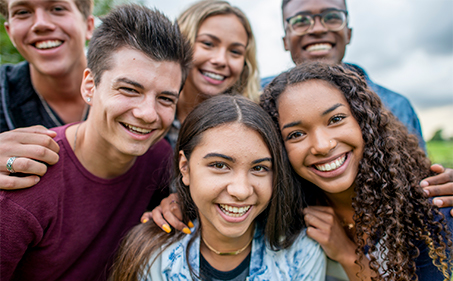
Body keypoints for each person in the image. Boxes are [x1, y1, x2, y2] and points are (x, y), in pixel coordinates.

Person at [0, 4, 192, 280]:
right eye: (129, 89)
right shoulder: (26, 182)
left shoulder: (158, 158)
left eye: (165, 98)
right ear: (90, 86)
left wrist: (173, 205)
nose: (148, 114)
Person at [260, 62, 452, 280]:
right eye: (296, 134)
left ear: (364, 121)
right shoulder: (284, 210)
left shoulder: (427, 210)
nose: (322, 145)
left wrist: (346, 253)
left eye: (336, 119)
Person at [111, 94, 326, 281]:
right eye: (220, 166)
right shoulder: (154, 255)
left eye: (259, 168)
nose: (241, 191)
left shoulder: (301, 255)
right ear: (185, 168)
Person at [0, 0, 95, 188]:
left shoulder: (133, 90)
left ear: (88, 26)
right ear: (10, 32)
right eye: (22, 12)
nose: (41, 24)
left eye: (58, 8)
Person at [165, 0, 260, 149]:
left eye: (235, 51)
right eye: (208, 44)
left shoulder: (254, 127)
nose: (221, 60)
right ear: (181, 42)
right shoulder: (150, 111)